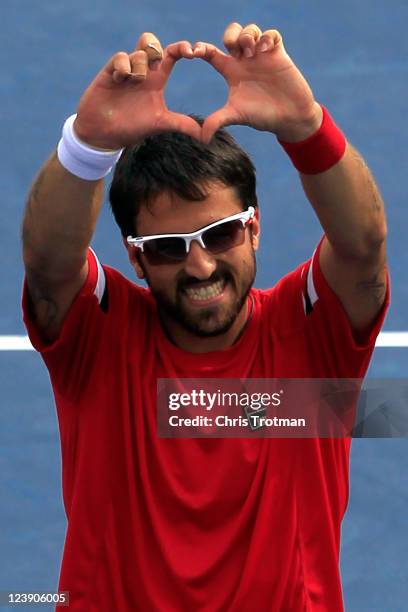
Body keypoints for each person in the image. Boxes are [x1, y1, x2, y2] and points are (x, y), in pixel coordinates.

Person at [22, 22, 388, 611]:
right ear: (136, 260)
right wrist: (86, 146)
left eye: (218, 235)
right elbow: (47, 263)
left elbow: (363, 244)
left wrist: (307, 127)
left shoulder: (310, 333)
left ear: (255, 228)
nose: (198, 267)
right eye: (167, 246)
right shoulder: (100, 337)